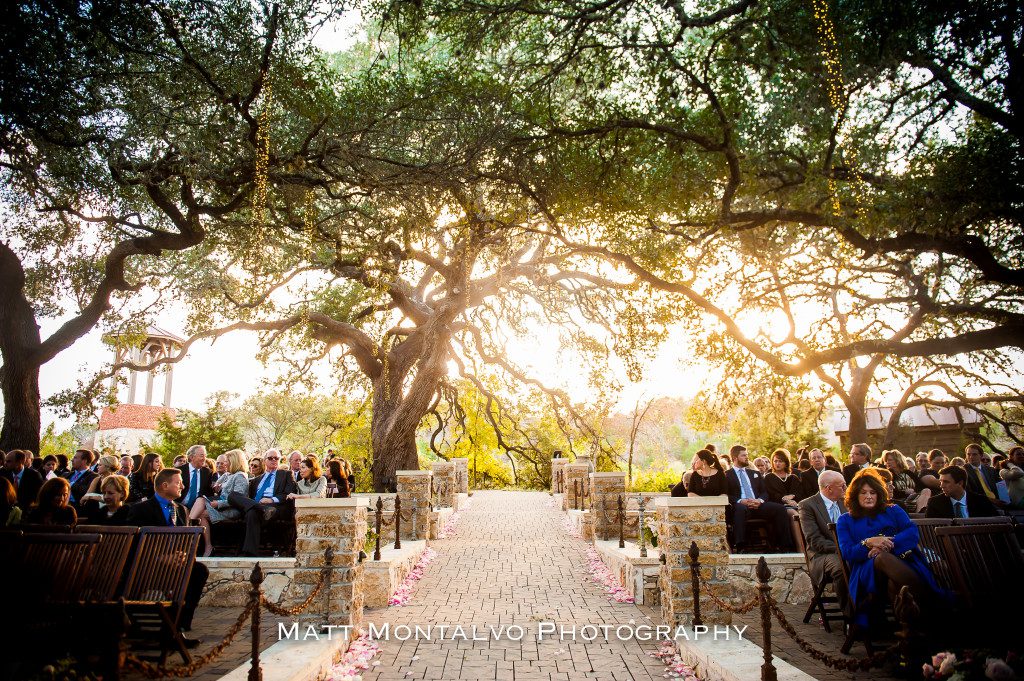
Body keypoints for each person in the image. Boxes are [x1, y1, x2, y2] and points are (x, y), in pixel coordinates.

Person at [837, 469, 944, 630]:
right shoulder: (845, 520)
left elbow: (912, 533)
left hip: (903, 562)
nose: (868, 496)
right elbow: (847, 552)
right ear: (854, 495)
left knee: (894, 584)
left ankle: (907, 633)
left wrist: (884, 545)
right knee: (881, 559)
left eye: (873, 492)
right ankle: (928, 600)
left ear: (879, 493)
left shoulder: (893, 510)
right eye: (863, 493)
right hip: (866, 571)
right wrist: (868, 542)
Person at [126, 468, 207, 644]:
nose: (183, 486)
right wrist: (160, 558)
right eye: (178, 483)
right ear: (164, 485)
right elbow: (134, 543)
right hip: (148, 564)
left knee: (198, 571)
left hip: (176, 562)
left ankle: (178, 626)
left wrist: (183, 555)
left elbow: (184, 539)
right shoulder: (141, 510)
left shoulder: (182, 510)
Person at [725, 445, 794, 552]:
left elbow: (764, 492)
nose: (747, 457)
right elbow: (727, 495)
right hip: (741, 506)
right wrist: (740, 501)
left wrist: (760, 500)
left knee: (780, 509)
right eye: (743, 455)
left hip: (758, 505)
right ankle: (741, 547)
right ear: (735, 458)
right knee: (739, 509)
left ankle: (785, 546)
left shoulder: (754, 473)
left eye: (747, 455)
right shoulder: (727, 475)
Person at [229, 449, 297, 557]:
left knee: (252, 513)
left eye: (277, 458)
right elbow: (250, 497)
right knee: (233, 495)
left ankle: (250, 553)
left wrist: (272, 500)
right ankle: (261, 508)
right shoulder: (257, 480)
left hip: (276, 507)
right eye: (271, 458)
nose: (274, 460)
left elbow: (289, 493)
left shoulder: (286, 474)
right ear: (265, 460)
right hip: (258, 506)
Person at [798, 470, 849, 612]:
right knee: (842, 567)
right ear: (829, 488)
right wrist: (841, 549)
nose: (846, 488)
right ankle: (850, 615)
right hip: (823, 555)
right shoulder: (807, 505)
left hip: (847, 549)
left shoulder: (846, 503)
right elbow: (815, 540)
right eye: (842, 485)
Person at [189, 450, 249, 557]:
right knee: (200, 500)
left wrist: (219, 503)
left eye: (227, 461)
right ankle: (203, 543)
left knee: (201, 513)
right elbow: (216, 487)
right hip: (219, 505)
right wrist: (216, 488)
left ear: (234, 461)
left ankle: (188, 534)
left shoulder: (240, 476)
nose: (225, 464)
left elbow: (239, 500)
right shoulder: (227, 475)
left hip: (231, 509)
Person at [925, 465, 998, 519]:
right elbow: (932, 531)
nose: (941, 486)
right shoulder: (935, 503)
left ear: (960, 483)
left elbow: (997, 525)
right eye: (941, 482)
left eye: (946, 482)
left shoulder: (981, 501)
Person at [177, 445, 213, 509]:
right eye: (202, 456)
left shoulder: (208, 472)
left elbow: (209, 493)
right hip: (179, 506)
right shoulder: (179, 471)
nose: (204, 458)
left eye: (205, 456)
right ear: (191, 457)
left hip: (198, 508)